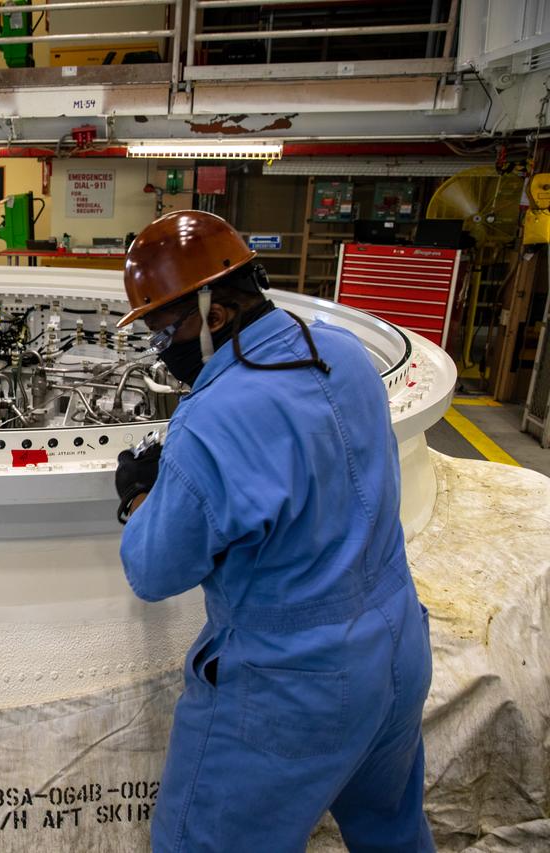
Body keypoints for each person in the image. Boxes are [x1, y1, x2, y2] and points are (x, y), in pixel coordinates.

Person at [114, 211, 434, 852]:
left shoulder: (211, 423)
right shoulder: (341, 353)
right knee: (392, 833)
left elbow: (154, 572)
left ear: (215, 313)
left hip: (295, 686)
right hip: (398, 647)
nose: (163, 348)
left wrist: (145, 496)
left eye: (163, 329)